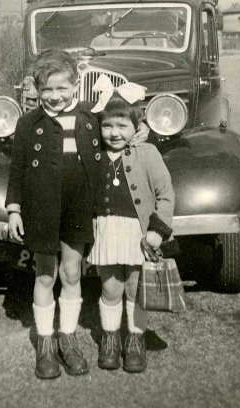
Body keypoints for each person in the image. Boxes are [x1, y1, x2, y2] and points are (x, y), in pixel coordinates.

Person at [5, 50, 148, 380]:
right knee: (44, 275)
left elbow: (118, 131)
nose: (55, 97)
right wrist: (14, 208)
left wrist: (139, 133)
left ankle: (67, 339)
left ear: (75, 85)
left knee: (71, 275)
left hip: (78, 207)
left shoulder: (89, 116)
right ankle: (45, 344)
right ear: (36, 91)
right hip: (40, 208)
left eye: (62, 89)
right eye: (47, 91)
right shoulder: (27, 124)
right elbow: (17, 170)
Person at [87, 75, 175, 373]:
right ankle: (110, 339)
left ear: (137, 128)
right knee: (111, 288)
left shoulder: (147, 153)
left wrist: (157, 231)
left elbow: (165, 195)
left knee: (135, 289)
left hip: (138, 235)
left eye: (122, 125)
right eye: (107, 125)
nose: (114, 132)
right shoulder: (95, 154)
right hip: (106, 233)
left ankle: (135, 339)